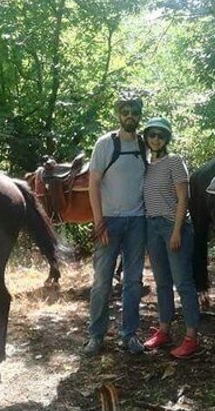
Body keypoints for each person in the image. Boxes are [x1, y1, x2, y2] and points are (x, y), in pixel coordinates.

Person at [83, 92, 148, 356]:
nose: (130, 116)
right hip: (109, 221)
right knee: (102, 281)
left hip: (137, 222)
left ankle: (129, 334)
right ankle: (96, 335)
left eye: (134, 111)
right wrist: (99, 222)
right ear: (118, 115)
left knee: (133, 282)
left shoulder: (146, 145)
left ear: (139, 115)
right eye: (125, 111)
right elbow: (93, 183)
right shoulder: (105, 144)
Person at [140, 117, 202, 359]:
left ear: (167, 138)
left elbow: (183, 198)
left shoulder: (175, 161)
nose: (156, 139)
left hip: (172, 227)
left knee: (183, 283)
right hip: (151, 226)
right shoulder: (145, 165)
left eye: (161, 135)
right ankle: (164, 329)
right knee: (162, 282)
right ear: (146, 137)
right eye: (152, 134)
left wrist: (176, 231)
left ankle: (191, 337)